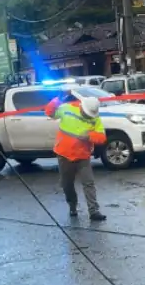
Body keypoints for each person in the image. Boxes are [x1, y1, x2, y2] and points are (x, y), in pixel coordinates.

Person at [44, 92, 107, 221]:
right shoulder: (67, 108)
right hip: (64, 154)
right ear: (82, 107)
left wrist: (89, 136)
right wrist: (58, 99)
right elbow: (49, 112)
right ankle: (72, 206)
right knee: (67, 184)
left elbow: (102, 137)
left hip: (83, 155)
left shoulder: (95, 118)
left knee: (88, 183)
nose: (87, 116)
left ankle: (94, 211)